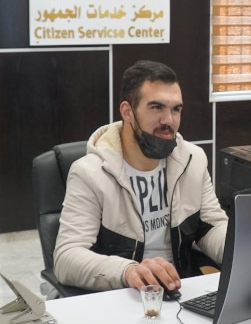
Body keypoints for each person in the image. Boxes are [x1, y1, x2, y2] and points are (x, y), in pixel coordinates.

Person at [54, 60, 228, 292]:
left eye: (176, 109)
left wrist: (244, 246)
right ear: (127, 112)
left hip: (178, 291)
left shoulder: (193, 159)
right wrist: (128, 271)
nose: (169, 121)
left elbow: (212, 227)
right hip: (122, 293)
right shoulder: (90, 173)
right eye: (156, 107)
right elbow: (67, 257)